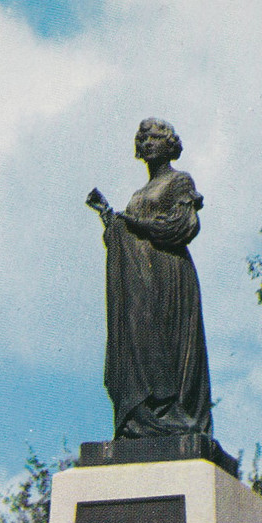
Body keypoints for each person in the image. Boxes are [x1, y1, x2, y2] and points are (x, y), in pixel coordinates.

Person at [87, 118, 213, 439]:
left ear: (170, 144)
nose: (147, 143)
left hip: (168, 273)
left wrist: (139, 225)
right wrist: (112, 221)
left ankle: (171, 413)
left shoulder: (179, 182)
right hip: (138, 279)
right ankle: (143, 418)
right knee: (138, 337)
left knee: (168, 343)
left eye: (155, 137)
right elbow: (125, 235)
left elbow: (185, 225)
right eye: (142, 138)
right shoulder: (138, 194)